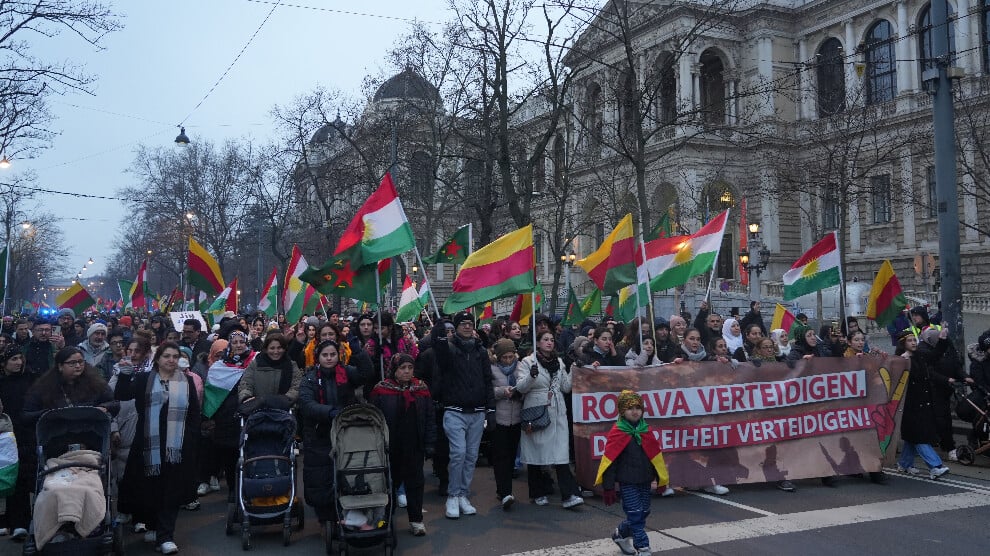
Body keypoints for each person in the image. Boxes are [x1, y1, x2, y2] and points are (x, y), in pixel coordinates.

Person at [114, 342, 200, 555]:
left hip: (175, 445)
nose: (171, 360)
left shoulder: (186, 381)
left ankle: (166, 535)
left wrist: (189, 438)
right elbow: (123, 395)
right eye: (166, 356)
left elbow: (194, 413)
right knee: (150, 488)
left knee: (171, 490)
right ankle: (152, 524)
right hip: (148, 444)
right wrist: (124, 376)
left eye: (174, 356)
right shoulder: (144, 379)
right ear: (158, 359)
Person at [298, 340, 374, 529]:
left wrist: (359, 352)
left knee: (349, 471)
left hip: (346, 432)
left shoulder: (346, 372)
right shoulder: (310, 378)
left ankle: (351, 511)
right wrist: (329, 412)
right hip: (319, 433)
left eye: (332, 354)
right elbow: (306, 404)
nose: (329, 358)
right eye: (325, 355)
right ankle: (326, 517)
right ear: (318, 357)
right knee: (322, 476)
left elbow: (366, 374)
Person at [429, 311, 495, 519]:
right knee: (458, 453)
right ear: (456, 327)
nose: (467, 327)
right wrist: (439, 329)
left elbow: (487, 380)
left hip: (476, 412)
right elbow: (439, 351)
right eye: (463, 324)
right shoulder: (448, 349)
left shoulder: (481, 351)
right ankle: (452, 495)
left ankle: (463, 495)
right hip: (454, 410)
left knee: (471, 456)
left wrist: (490, 409)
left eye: (470, 323)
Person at [369, 353, 435, 537]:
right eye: (402, 368)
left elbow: (429, 417)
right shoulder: (381, 390)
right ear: (394, 370)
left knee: (415, 484)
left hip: (414, 445)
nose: (406, 371)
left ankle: (416, 520)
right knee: (388, 485)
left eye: (410, 368)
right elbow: (374, 419)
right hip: (390, 446)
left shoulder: (421, 389)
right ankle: (385, 521)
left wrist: (430, 442)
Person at [597, 390, 669, 556]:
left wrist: (661, 479)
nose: (635, 411)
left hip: (644, 480)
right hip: (627, 482)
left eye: (638, 407)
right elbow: (610, 461)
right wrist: (608, 487)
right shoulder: (618, 432)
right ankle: (643, 547)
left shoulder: (646, 430)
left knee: (644, 512)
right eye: (630, 408)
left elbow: (655, 457)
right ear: (622, 411)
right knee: (635, 514)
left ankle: (620, 534)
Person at [517, 330, 583, 509]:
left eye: (552, 340)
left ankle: (569, 495)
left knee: (561, 453)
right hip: (537, 410)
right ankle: (538, 492)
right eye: (545, 339)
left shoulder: (559, 362)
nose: (549, 343)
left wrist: (574, 370)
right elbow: (521, 388)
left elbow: (566, 387)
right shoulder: (527, 362)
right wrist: (531, 376)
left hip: (558, 410)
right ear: (537, 343)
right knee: (536, 453)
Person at [200, 330, 255, 498]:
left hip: (249, 417)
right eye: (235, 342)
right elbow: (211, 395)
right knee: (230, 458)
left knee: (249, 455)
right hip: (226, 420)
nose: (238, 345)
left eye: (241, 342)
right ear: (229, 345)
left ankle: (250, 491)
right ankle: (233, 491)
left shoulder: (255, 361)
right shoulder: (218, 367)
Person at [895, 329, 952, 480]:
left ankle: (904, 463)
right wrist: (903, 361)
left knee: (912, 437)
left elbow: (935, 355)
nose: (913, 343)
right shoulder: (900, 360)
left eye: (914, 340)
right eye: (909, 341)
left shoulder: (920, 355)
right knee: (920, 437)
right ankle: (935, 466)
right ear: (903, 343)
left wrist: (942, 339)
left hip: (924, 402)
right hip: (909, 405)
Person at [21, 346, 119, 424]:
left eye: (80, 362)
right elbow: (26, 415)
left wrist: (104, 407)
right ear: (60, 366)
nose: (78, 366)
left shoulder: (95, 382)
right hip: (58, 434)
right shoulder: (44, 387)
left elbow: (114, 403)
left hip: (90, 432)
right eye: (72, 363)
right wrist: (48, 414)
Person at [0, 346, 35, 540]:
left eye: (20, 358)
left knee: (30, 476)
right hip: (7, 434)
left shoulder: (30, 379)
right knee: (14, 476)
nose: (18, 363)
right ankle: (17, 523)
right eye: (13, 359)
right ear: (4, 362)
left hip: (28, 432)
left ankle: (34, 520)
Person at [489, 338, 523, 510]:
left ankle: (504, 488)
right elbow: (488, 390)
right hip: (499, 418)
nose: (508, 360)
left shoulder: (520, 367)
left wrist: (520, 390)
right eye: (505, 357)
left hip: (516, 418)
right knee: (501, 456)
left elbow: (526, 387)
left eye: (511, 357)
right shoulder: (492, 369)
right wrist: (502, 392)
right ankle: (505, 492)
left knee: (511, 455)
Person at [238, 333, 303, 411]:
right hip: (257, 410)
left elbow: (297, 386)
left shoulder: (291, 365)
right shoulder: (255, 364)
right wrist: (246, 397)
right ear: (266, 349)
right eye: (272, 348)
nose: (276, 352)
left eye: (279, 348)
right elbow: (245, 383)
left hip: (284, 411)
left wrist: (286, 399)